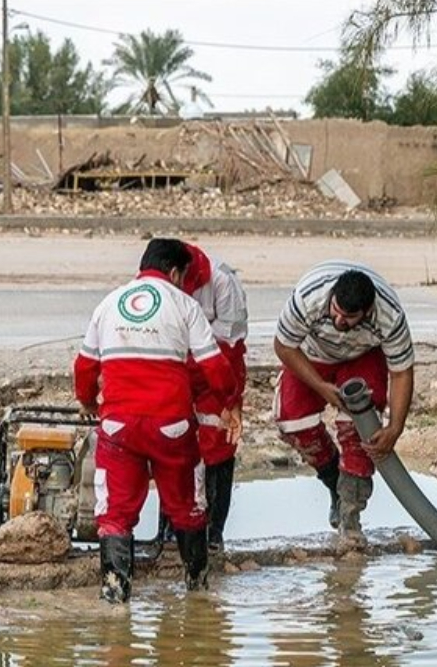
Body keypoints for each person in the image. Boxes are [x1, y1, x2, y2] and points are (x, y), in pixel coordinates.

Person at [73, 238, 240, 603]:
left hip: (118, 427)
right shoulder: (185, 305)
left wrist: (87, 401)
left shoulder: (109, 302)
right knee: (187, 507)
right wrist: (227, 403)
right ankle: (196, 590)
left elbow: (85, 366)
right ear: (177, 273)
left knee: (115, 513)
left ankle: (116, 596)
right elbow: (215, 366)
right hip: (173, 427)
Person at [273, 261, 415, 539]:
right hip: (311, 355)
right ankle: (334, 484)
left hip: (363, 355)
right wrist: (321, 387)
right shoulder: (308, 298)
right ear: (331, 298)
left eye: (349, 319)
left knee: (360, 433)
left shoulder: (390, 316)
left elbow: (402, 373)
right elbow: (284, 346)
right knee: (292, 423)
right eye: (335, 312)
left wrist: (395, 428)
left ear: (367, 312)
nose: (339, 321)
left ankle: (350, 522)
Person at [180, 243, 248, 552]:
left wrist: (231, 399)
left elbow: (230, 346)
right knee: (176, 440)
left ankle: (214, 532)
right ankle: (176, 527)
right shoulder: (163, 280)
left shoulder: (223, 282)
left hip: (219, 367)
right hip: (178, 366)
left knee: (218, 443)